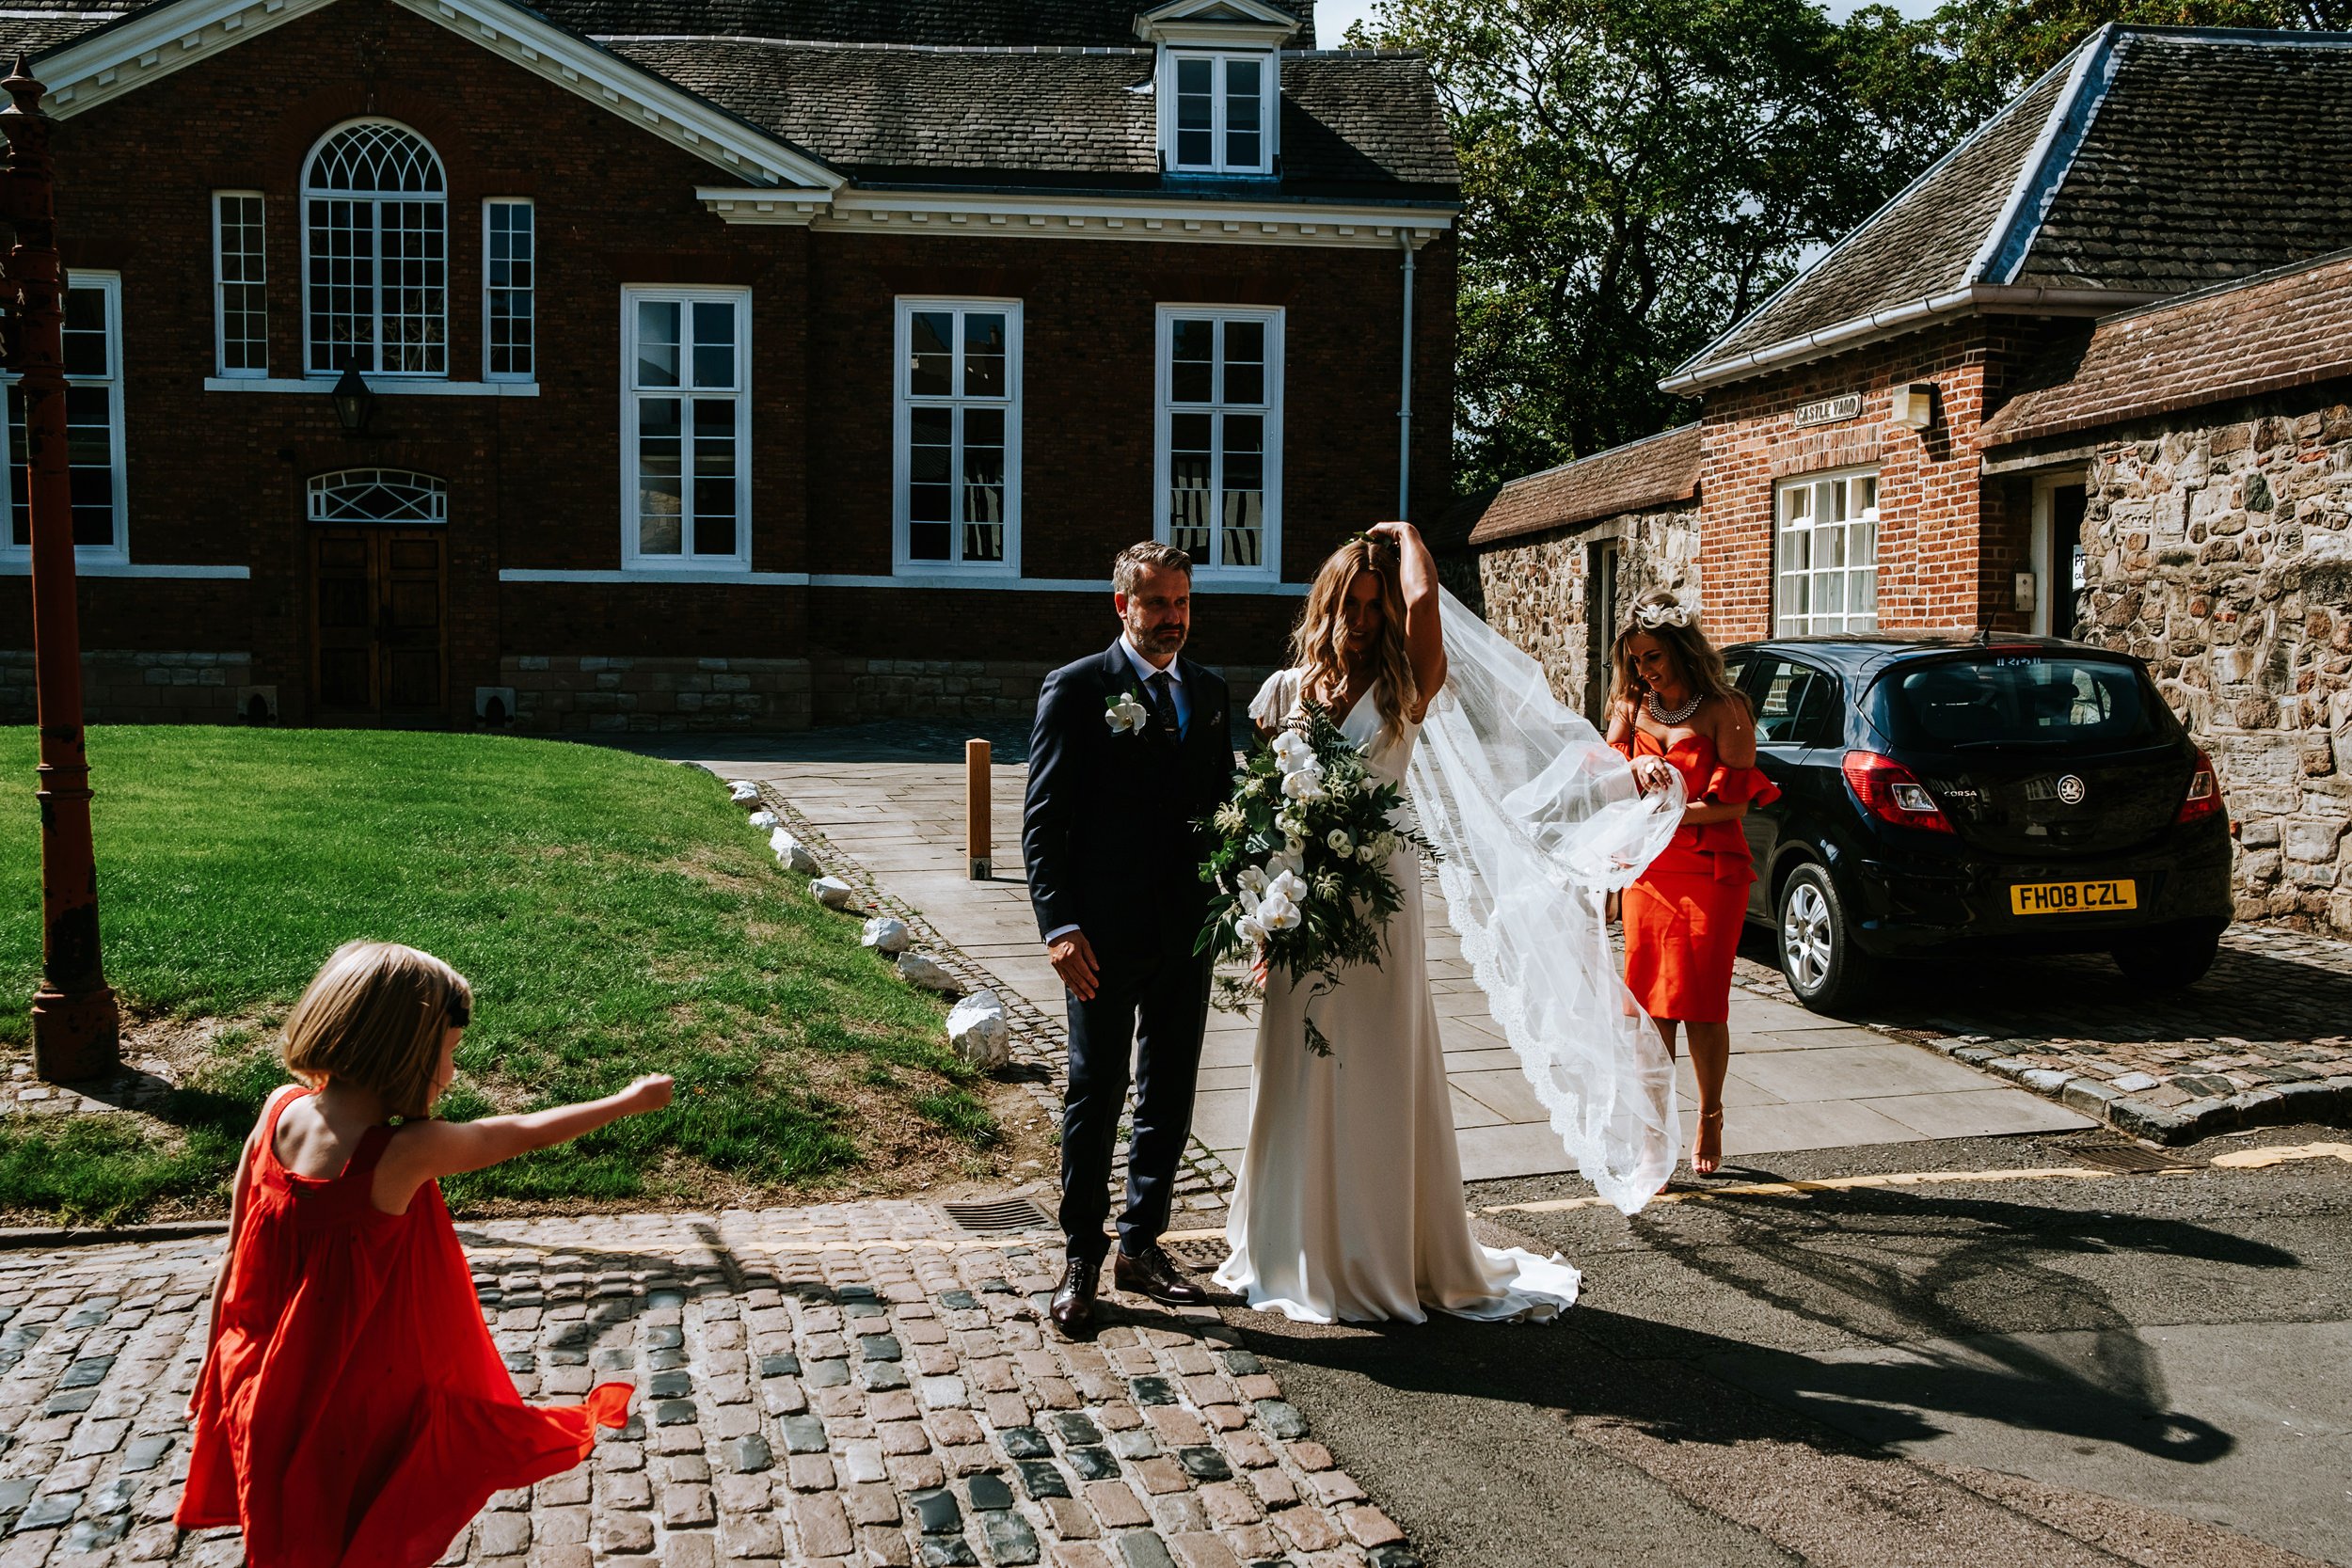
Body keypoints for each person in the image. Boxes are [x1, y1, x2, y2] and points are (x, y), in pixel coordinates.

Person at [177, 940, 674, 1567]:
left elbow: (233, 1255)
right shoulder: (400, 1152)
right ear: (405, 1052)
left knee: (289, 1537)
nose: (453, 1070)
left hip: (258, 1380)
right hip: (351, 1411)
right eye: (450, 1050)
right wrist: (628, 1100)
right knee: (349, 1540)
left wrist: (214, 1357)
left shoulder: (278, 1110)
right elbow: (517, 1132)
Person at [1216, 523, 1592, 1323]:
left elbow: (1426, 604)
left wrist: (1407, 537)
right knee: (1299, 1066)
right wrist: (1266, 916)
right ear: (1326, 606)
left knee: (1377, 1067)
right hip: (1303, 903)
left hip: (1381, 895)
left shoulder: (1402, 691)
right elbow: (1266, 816)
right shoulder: (1285, 692)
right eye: (1349, 604)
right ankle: (1294, 1244)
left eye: (1372, 606)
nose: (1361, 620)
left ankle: (1380, 1247)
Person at [1022, 542, 1235, 1335]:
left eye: (1182, 604)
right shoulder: (1078, 689)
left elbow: (1221, 816)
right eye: (1156, 605)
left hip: (1187, 934)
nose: (1173, 619)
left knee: (1169, 1093)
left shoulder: (1210, 693)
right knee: (1095, 1093)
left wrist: (1243, 905)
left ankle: (1142, 1245)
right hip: (1100, 939)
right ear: (1123, 606)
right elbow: (1043, 823)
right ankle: (1082, 1253)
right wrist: (1060, 926)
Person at [1605, 589, 1777, 1177]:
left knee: (1703, 1005)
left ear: (1681, 650)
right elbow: (1605, 776)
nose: (1643, 670)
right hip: (1647, 872)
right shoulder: (1629, 706)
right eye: (1635, 660)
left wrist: (1666, 810)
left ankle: (1709, 1115)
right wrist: (1631, 765)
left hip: (1709, 869)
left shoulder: (1726, 708)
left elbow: (1730, 808)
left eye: (1652, 657)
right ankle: (1656, 1135)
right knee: (1651, 1011)